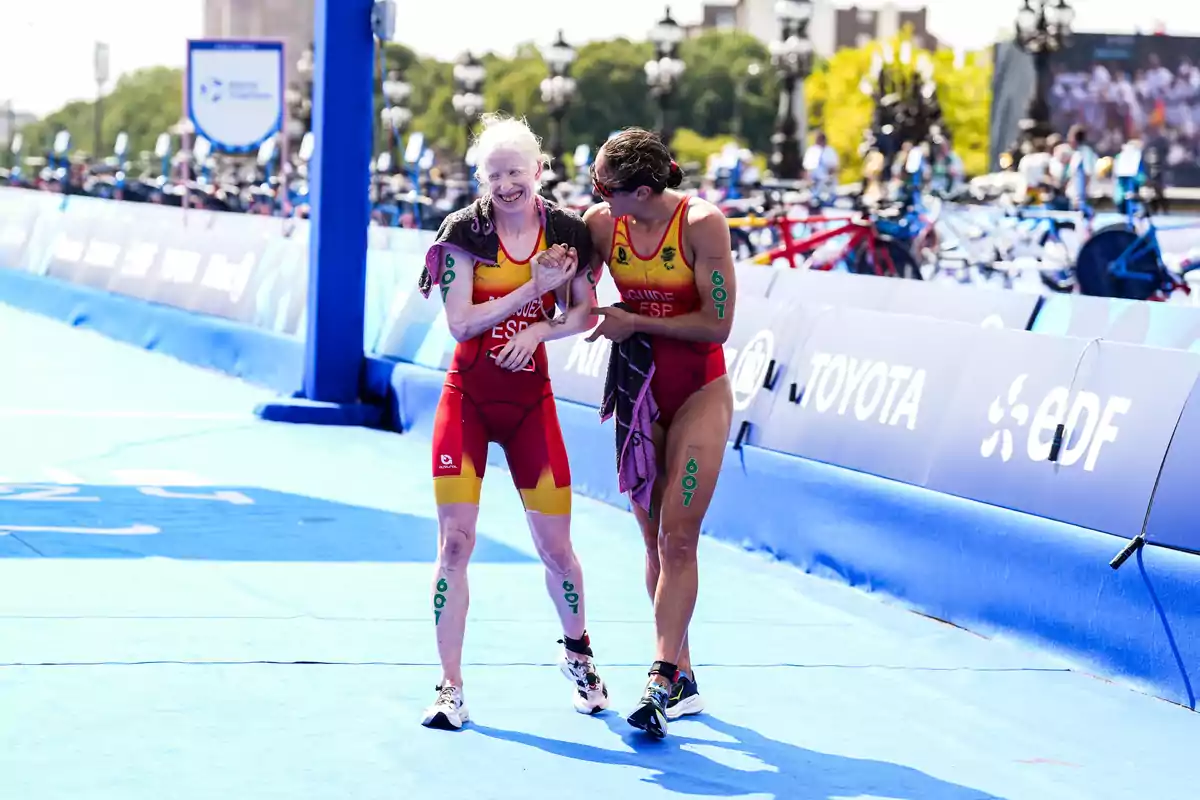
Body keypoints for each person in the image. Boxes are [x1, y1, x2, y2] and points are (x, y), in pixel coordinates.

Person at [416, 113, 609, 730]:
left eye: (516, 173)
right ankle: (450, 687)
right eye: (494, 175)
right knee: (454, 544)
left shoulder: (568, 232)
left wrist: (539, 329)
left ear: (538, 171)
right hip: (467, 398)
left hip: (531, 404)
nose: (506, 185)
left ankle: (578, 654)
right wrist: (532, 290)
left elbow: (586, 314)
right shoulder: (463, 232)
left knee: (557, 551)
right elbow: (462, 323)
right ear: (482, 178)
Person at [583, 128, 736, 738]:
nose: (596, 196)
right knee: (652, 546)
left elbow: (718, 325)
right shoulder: (601, 224)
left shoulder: (703, 224)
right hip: (639, 395)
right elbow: (572, 286)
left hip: (699, 392)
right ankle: (683, 673)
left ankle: (659, 677)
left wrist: (634, 320)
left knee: (678, 540)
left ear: (643, 190)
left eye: (604, 186)